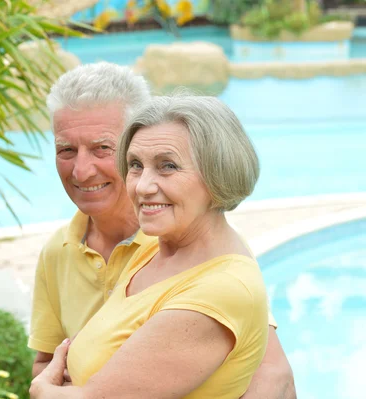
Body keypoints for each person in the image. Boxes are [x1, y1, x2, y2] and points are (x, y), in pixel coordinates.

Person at [28, 63, 295, 398]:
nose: (81, 171)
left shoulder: (196, 249)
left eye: (102, 148)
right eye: (66, 150)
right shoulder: (66, 251)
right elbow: (49, 361)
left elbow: (272, 374)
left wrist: (45, 391)